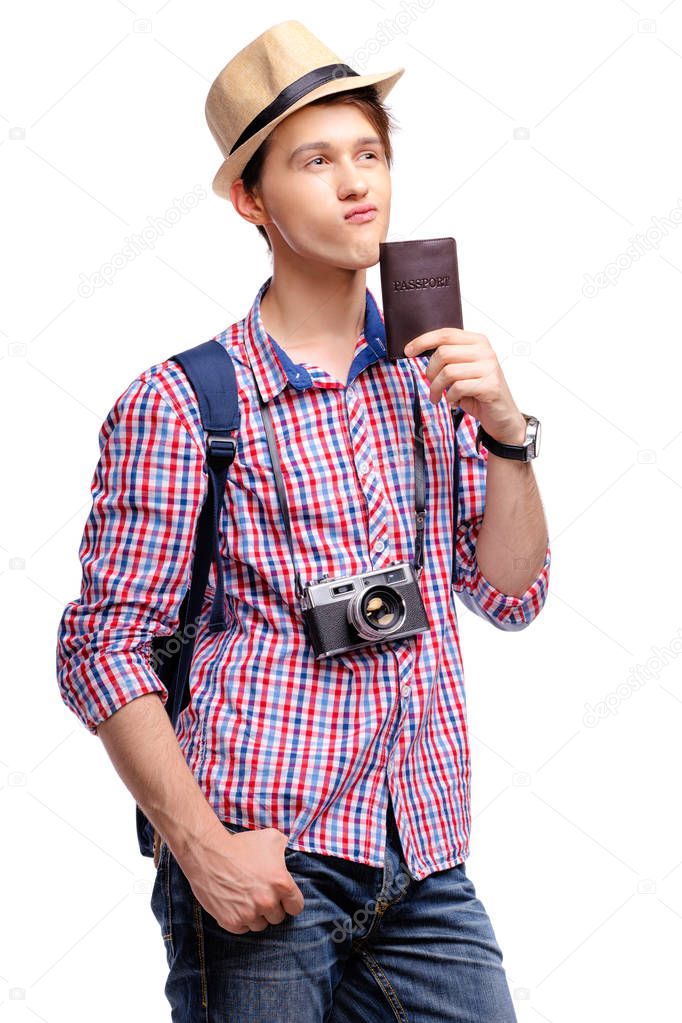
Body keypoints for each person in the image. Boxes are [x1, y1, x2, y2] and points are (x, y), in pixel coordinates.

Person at [55, 19, 551, 1022]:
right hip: (263, 849)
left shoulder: (431, 377)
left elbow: (507, 593)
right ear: (251, 199)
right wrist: (199, 844)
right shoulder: (184, 402)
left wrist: (504, 434)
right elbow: (101, 648)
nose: (354, 182)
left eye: (368, 153)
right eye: (314, 160)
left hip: (422, 855)